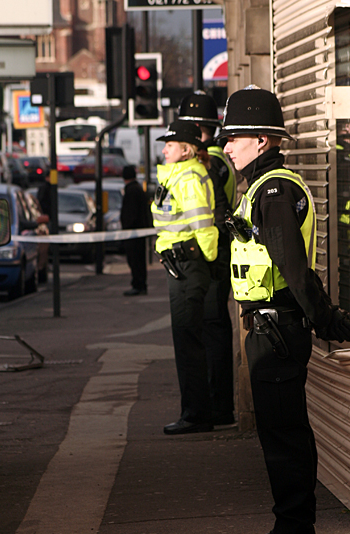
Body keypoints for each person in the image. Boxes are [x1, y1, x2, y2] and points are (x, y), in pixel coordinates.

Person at [218, 85, 350, 534]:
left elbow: (295, 270)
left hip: (277, 330)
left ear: (262, 139)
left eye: (234, 137)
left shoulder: (275, 190)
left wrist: (326, 319)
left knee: (285, 435)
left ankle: (296, 533)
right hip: (270, 328)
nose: (226, 145)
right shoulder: (260, 187)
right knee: (279, 431)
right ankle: (289, 525)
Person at [151, 120, 218, 435]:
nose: (164, 149)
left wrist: (207, 258)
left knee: (188, 342)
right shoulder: (177, 174)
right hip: (181, 265)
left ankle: (196, 415)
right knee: (187, 340)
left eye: (170, 144)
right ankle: (195, 412)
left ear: (186, 149)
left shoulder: (188, 177)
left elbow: (203, 224)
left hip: (188, 265)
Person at [178, 91, 237, 426]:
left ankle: (217, 406)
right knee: (214, 328)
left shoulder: (208, 162)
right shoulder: (218, 158)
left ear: (198, 128)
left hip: (210, 254)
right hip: (217, 250)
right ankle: (219, 404)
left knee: (210, 329)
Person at [121, 165, 151, 296]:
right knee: (139, 259)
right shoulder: (138, 188)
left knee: (135, 259)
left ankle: (138, 284)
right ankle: (140, 284)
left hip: (133, 232)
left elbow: (130, 213)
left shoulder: (131, 191)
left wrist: (126, 226)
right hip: (139, 231)